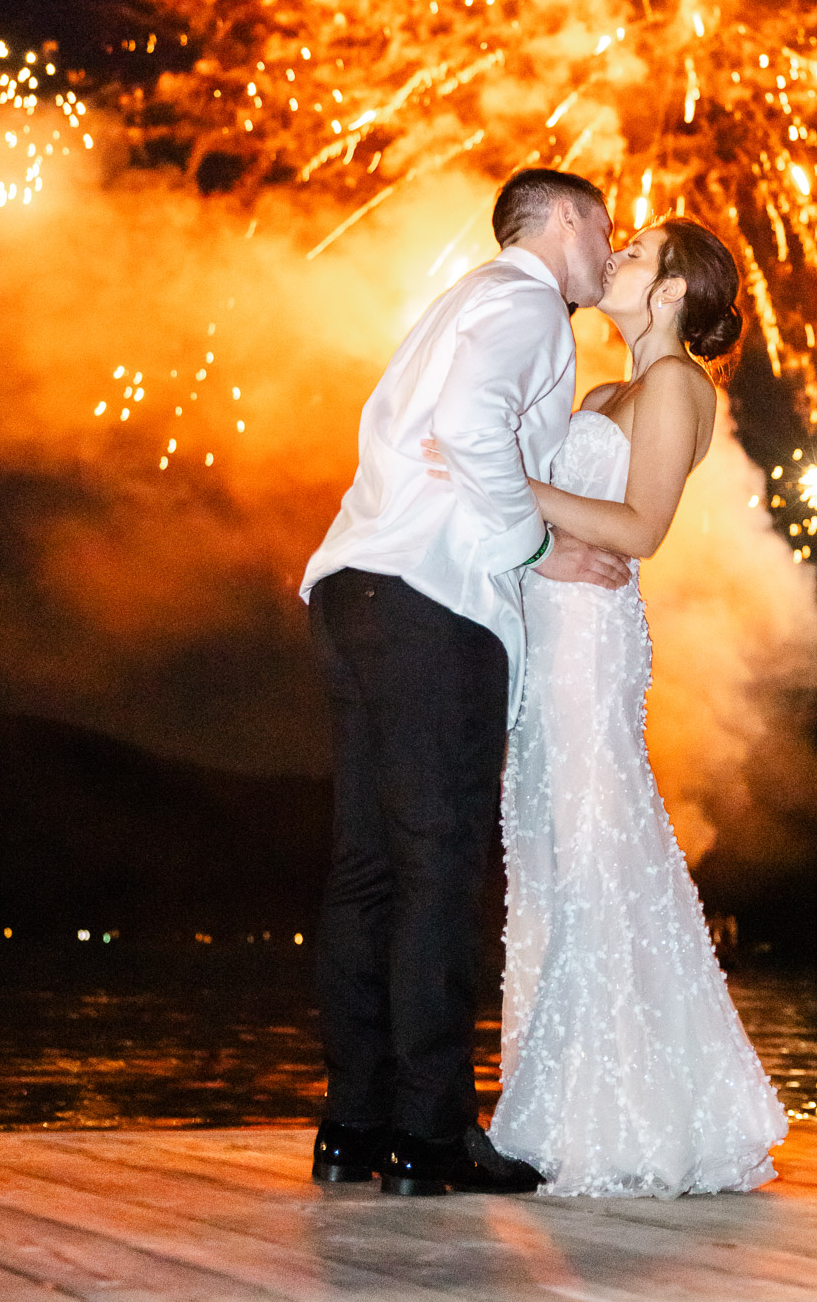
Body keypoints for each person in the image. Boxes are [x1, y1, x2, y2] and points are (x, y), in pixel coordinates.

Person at [300, 168, 628, 1197]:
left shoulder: (462, 299)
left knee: (367, 870)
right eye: (606, 228)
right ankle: (432, 1135)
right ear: (567, 219)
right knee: (438, 869)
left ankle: (354, 1125)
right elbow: (474, 423)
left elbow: (423, 424)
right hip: (433, 603)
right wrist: (537, 548)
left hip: (353, 587)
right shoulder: (530, 302)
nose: (612, 250)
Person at [484, 217, 788, 1196]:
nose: (613, 258)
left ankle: (604, 1122)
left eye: (637, 253)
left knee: (590, 851)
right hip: (548, 628)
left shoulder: (675, 386)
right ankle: (572, 1099)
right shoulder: (609, 388)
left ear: (669, 295)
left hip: (588, 639)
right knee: (555, 856)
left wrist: (512, 485)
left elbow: (643, 528)